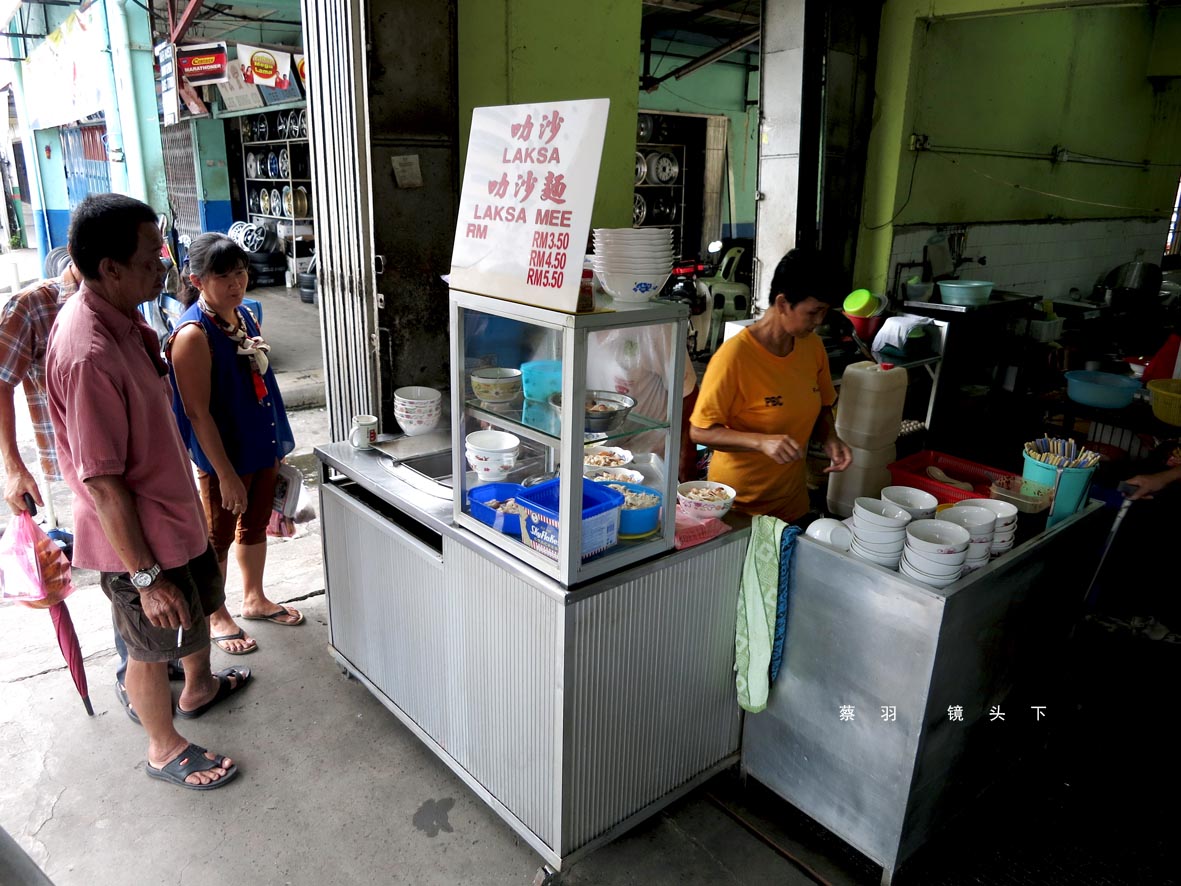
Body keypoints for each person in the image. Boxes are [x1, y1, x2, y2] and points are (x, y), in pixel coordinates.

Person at [47, 193, 247, 790]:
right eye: (150, 258)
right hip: (139, 539)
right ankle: (163, 746)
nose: (163, 268)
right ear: (109, 268)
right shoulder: (88, 352)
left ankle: (201, 688)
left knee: (196, 610)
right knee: (150, 641)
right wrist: (144, 577)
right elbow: (103, 483)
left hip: (173, 512)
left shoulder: (129, 317)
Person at [0, 259, 177, 711]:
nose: (156, 269)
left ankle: (159, 660)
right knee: (125, 570)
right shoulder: (35, 307)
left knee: (146, 563)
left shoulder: (125, 305)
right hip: (81, 469)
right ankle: (135, 676)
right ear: (103, 264)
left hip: (133, 465)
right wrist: (12, 465)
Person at [165, 232, 300, 655]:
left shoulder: (243, 318)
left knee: (255, 522)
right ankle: (216, 613)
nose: (236, 283)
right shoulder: (193, 335)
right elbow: (197, 414)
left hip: (259, 440)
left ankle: (254, 598)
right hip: (224, 455)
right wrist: (224, 475)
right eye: (223, 276)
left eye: (241, 272)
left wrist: (276, 443)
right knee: (217, 536)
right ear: (198, 280)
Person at [689, 248, 853, 522]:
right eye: (813, 312)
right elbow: (699, 432)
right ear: (783, 303)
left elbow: (823, 404)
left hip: (791, 503)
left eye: (824, 312)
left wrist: (830, 438)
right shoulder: (734, 358)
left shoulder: (811, 346)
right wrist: (760, 442)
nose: (819, 321)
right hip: (738, 507)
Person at [585, 324, 699, 482]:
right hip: (597, 456)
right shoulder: (576, 326)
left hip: (648, 458)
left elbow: (688, 392)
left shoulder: (654, 328)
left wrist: (685, 457)